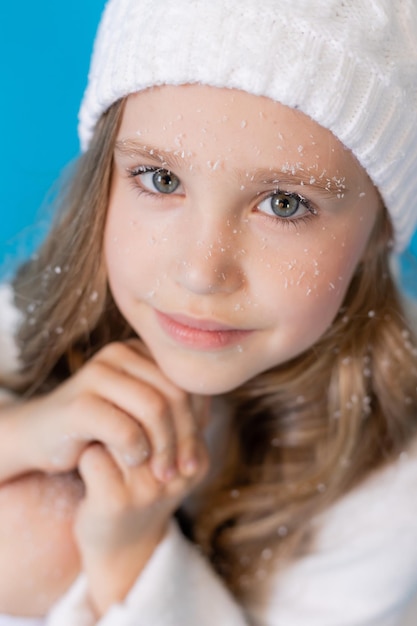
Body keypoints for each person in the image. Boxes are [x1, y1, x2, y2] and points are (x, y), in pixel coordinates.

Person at [0, 0, 417, 624]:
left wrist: (132, 558)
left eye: (283, 203)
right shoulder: (32, 317)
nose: (200, 272)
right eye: (161, 180)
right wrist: (21, 435)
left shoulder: (393, 479)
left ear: (379, 231)